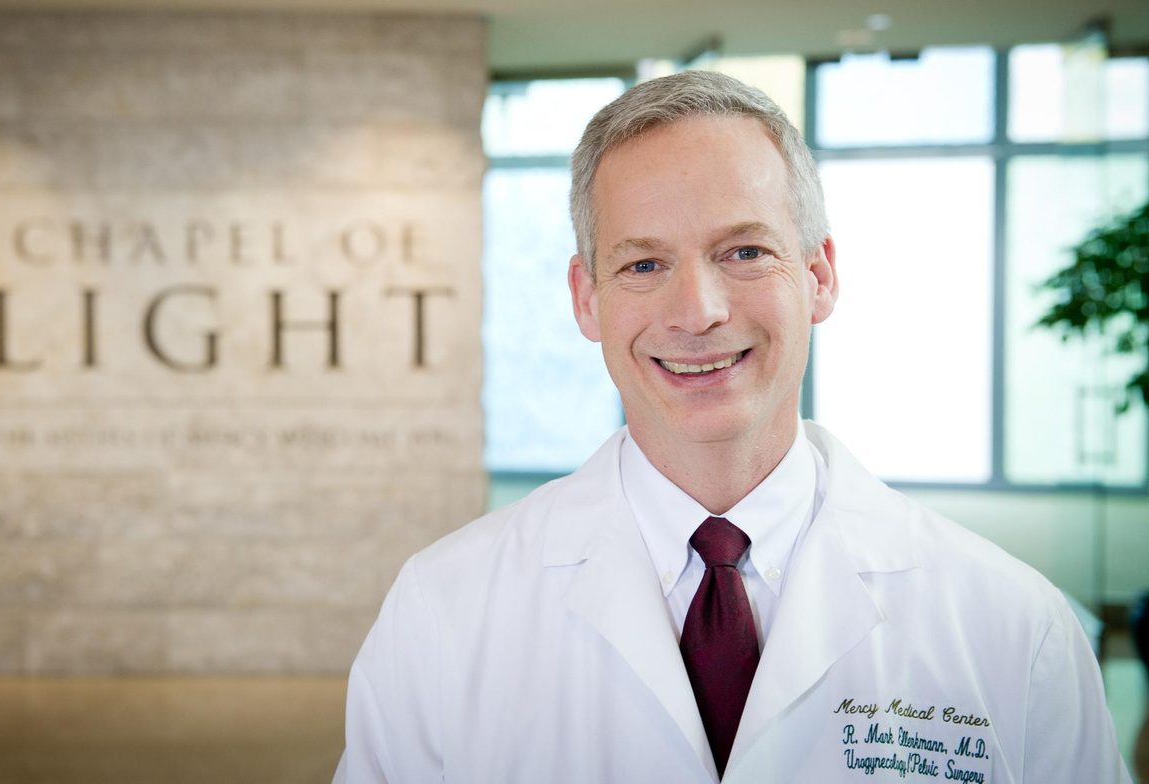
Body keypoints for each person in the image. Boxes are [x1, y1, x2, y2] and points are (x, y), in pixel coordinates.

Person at [332, 70, 1132, 783]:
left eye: (744, 252)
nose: (698, 313)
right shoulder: (440, 613)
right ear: (586, 298)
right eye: (644, 264)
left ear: (819, 277)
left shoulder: (1012, 627)